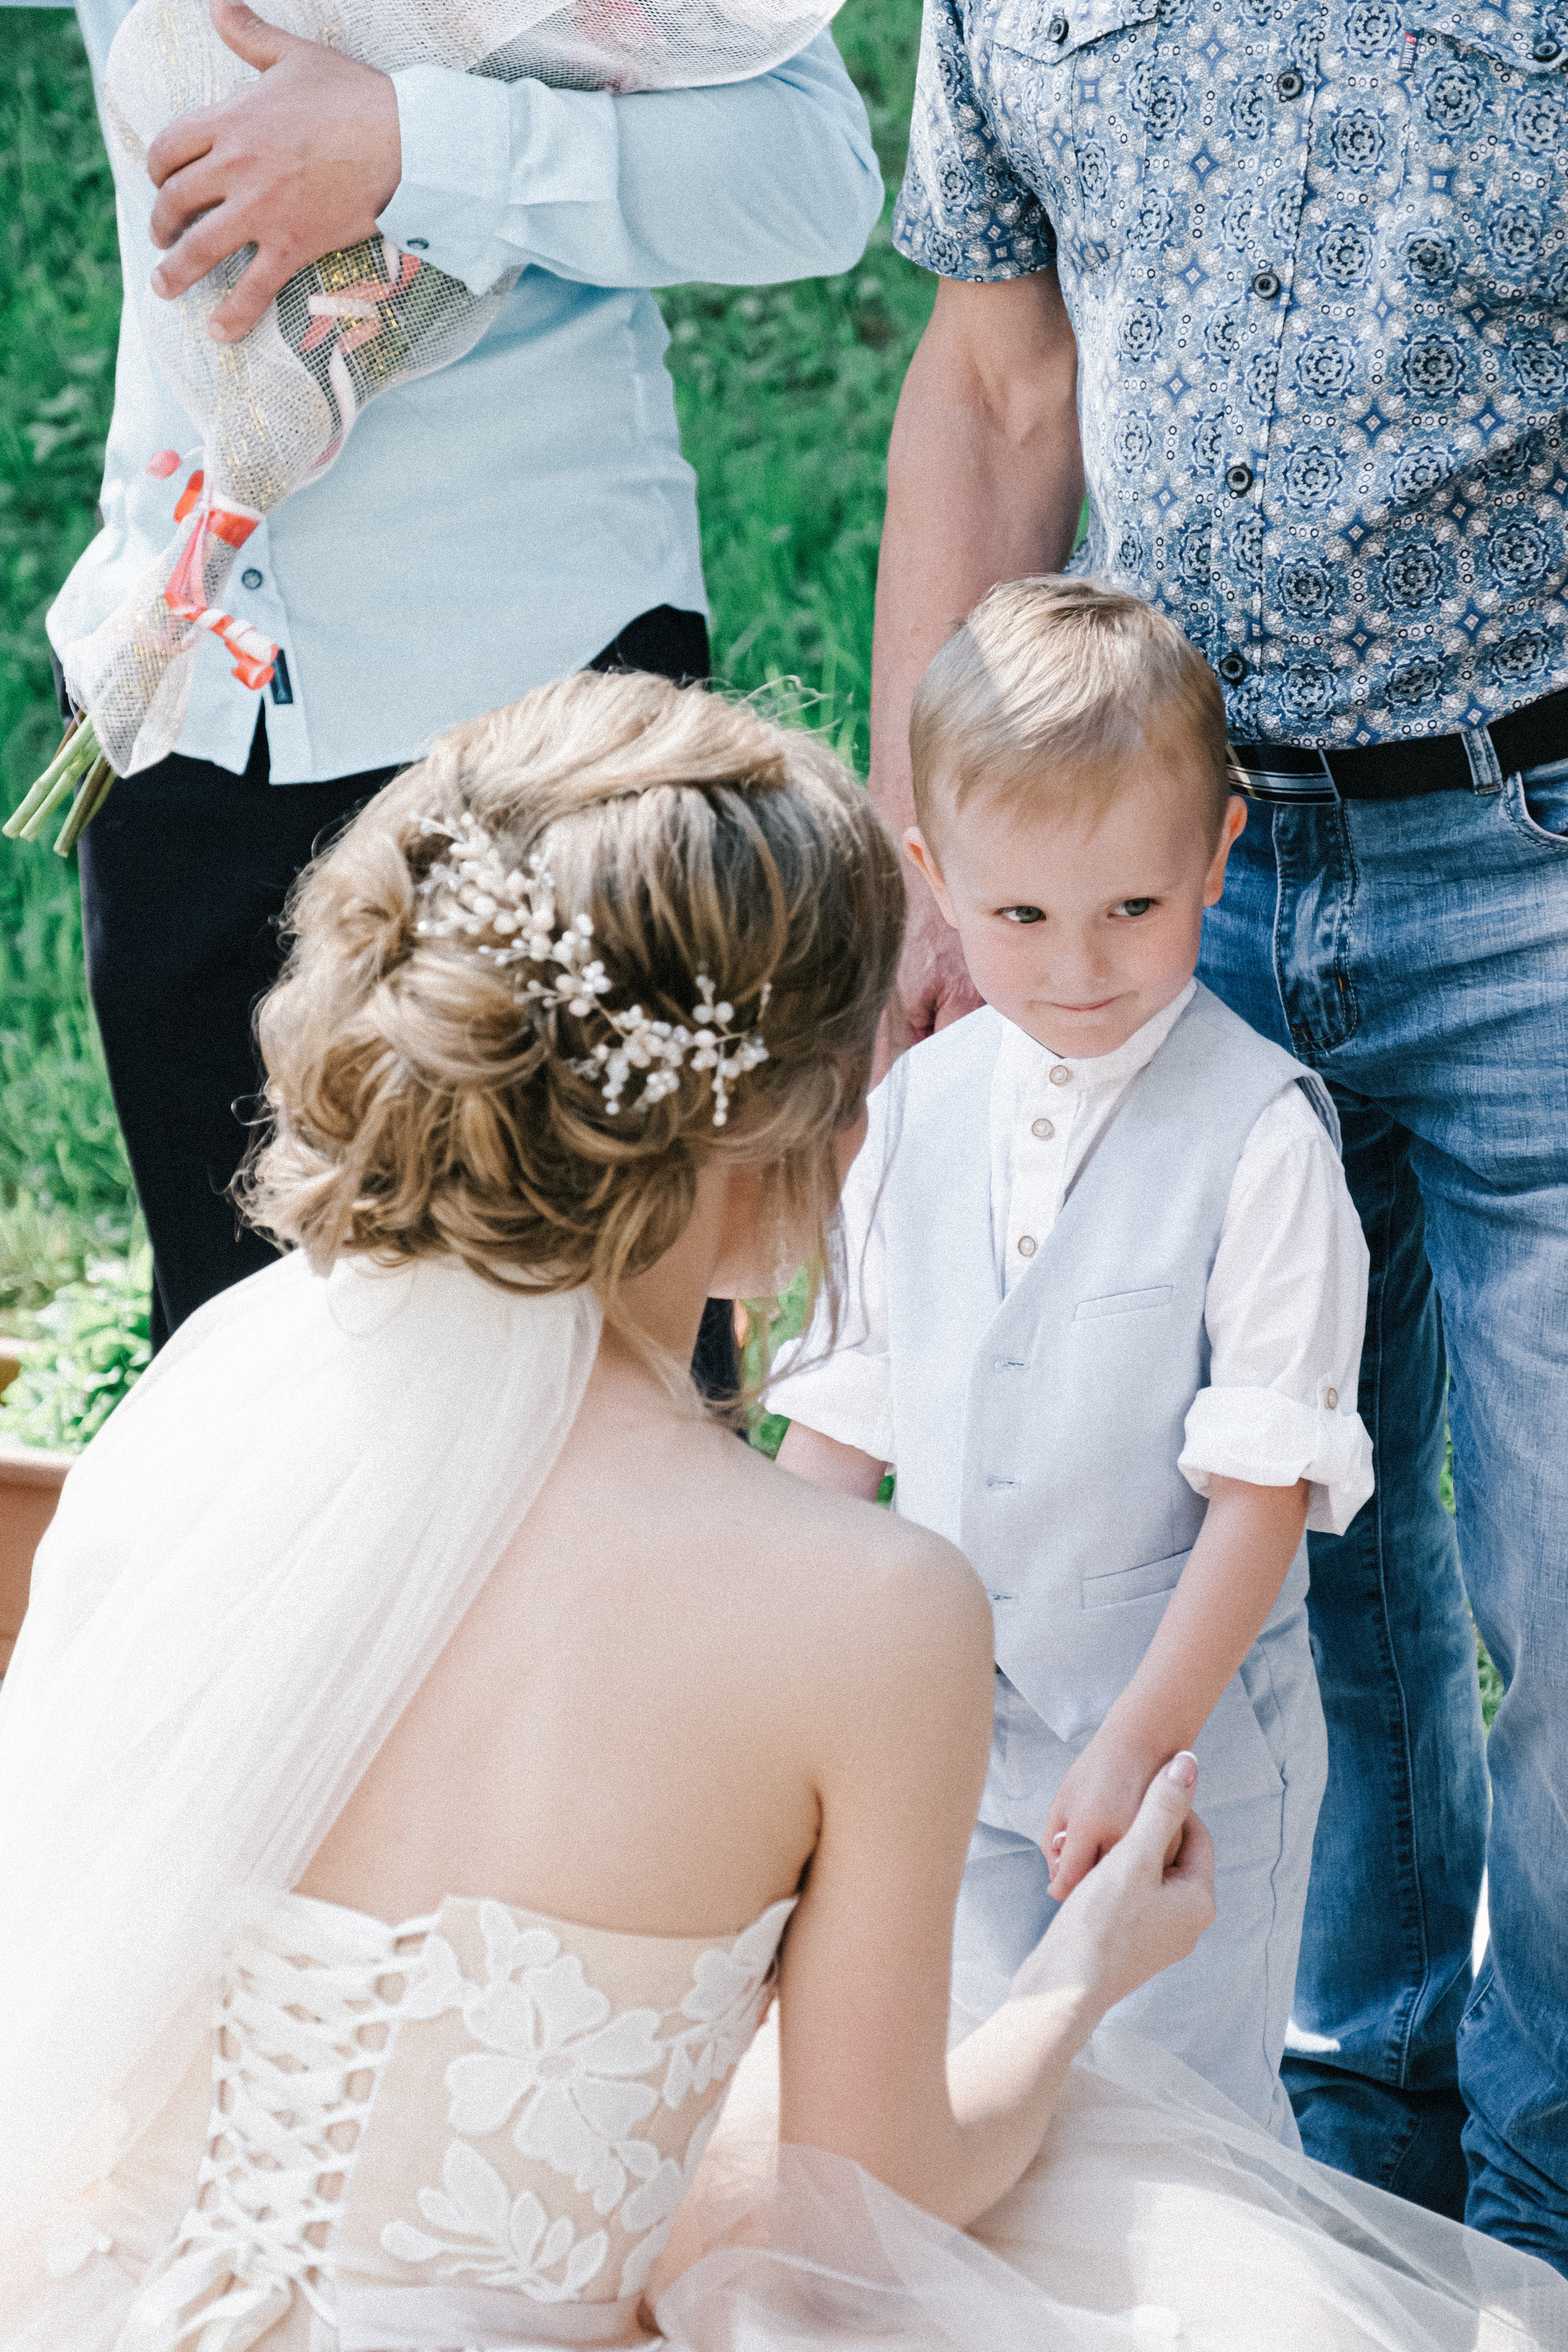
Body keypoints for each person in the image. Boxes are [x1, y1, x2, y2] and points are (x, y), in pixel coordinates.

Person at [0, 671, 1558, 2351]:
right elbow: (870, 2206)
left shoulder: (230, 1390)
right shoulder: (860, 1608)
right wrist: (1088, 1968)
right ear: (796, 1124)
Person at [864, 0, 1568, 2264]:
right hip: (1179, 889)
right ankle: (1347, 2137)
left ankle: (1540, 2205)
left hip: (1538, 840)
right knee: (1277, 1561)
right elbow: (1000, 379)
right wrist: (939, 853)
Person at [31, 0, 883, 1391]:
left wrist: (415, 144)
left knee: (609, 1403)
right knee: (244, 1421)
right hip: (189, 690)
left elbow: (807, 181)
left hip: (537, 738)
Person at [768, 578, 1370, 2139]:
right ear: (934, 876)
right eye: (1018, 916)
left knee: (1170, 2143)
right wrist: (771, 1691)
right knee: (969, 2115)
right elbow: (840, 1438)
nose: (1077, 965)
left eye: (1133, 910)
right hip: (948, 1754)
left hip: (1186, 1768)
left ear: (1217, 856)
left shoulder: (1261, 1140)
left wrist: (1130, 1746)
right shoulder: (911, 1109)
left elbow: (1257, 1501)